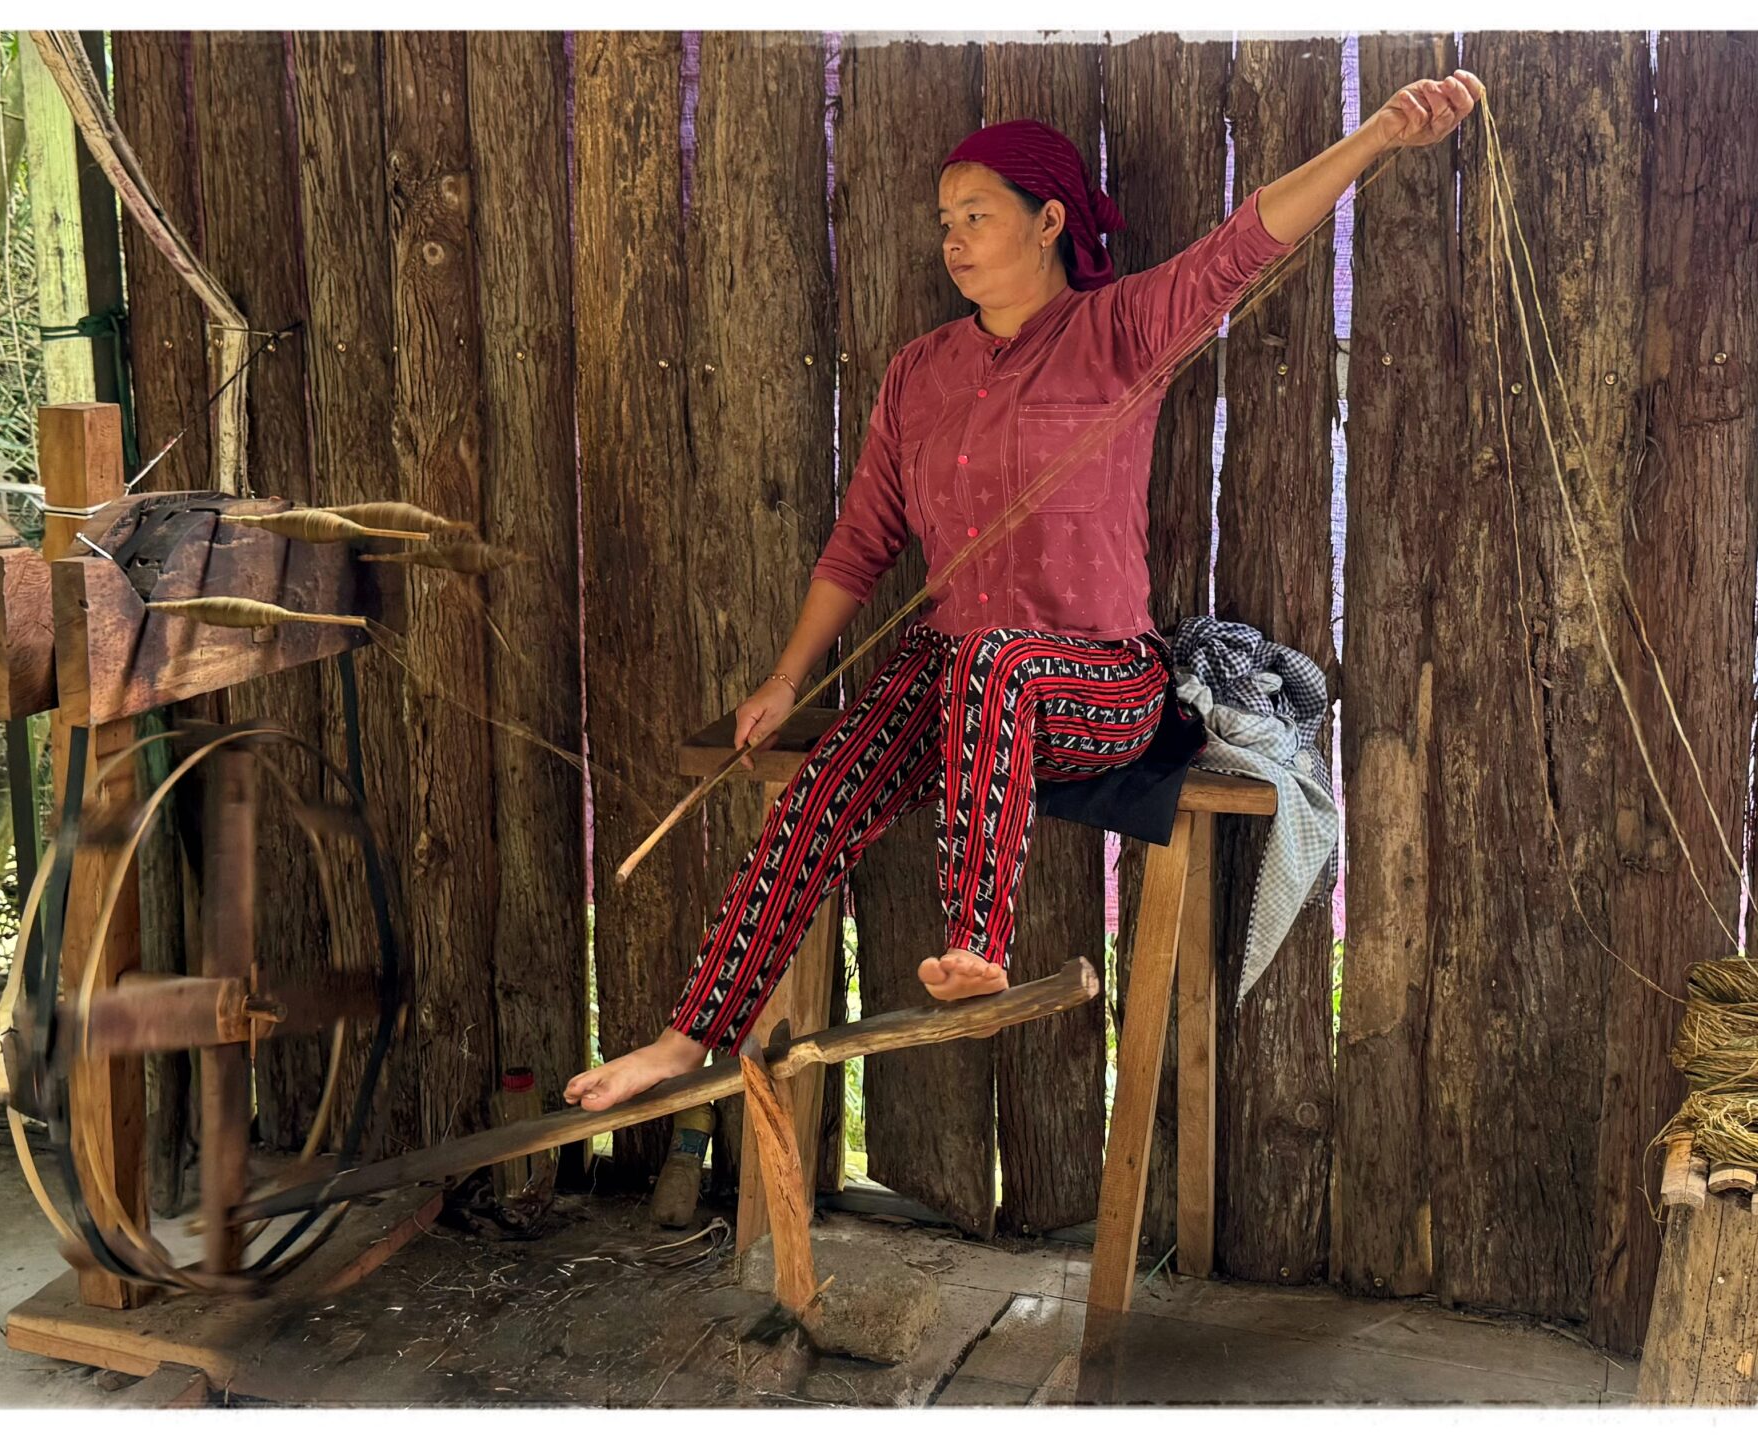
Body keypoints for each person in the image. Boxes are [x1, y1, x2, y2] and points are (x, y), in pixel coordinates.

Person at [566, 68, 1487, 1113]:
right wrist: (784, 680)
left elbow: (1246, 242)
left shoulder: (1121, 331)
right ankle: (683, 1038)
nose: (954, 239)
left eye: (977, 215)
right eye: (944, 221)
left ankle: (976, 944)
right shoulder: (917, 373)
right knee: (822, 793)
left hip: (1101, 680)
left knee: (998, 660)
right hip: (953, 672)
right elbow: (860, 541)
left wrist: (1375, 137)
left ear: (1048, 221)